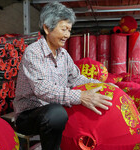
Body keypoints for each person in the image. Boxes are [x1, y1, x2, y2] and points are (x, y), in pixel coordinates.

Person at [13, 2, 113, 150]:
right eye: (64, 29)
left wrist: (102, 85)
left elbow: (76, 79)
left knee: (67, 110)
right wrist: (80, 96)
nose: (67, 35)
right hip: (29, 115)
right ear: (47, 28)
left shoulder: (63, 54)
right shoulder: (33, 52)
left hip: (53, 110)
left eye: (69, 30)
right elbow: (42, 89)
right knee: (57, 113)